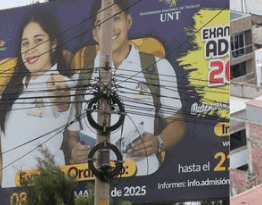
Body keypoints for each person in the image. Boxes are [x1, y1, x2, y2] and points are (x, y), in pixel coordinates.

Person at [64, 0, 187, 179]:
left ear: (128, 21)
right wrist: (75, 150)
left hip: (144, 182)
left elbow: (177, 123)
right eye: (101, 23)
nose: (110, 28)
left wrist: (158, 142)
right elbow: (72, 136)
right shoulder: (80, 80)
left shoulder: (157, 67)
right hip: (93, 186)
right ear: (94, 33)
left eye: (115, 18)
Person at [0, 5, 74, 188]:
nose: (30, 49)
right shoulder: (11, 89)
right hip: (13, 193)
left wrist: (58, 91)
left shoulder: (62, 82)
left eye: (38, 40)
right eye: (25, 43)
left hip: (48, 190)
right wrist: (4, 174)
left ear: (53, 43)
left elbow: (62, 102)